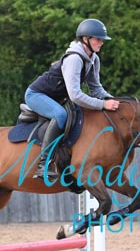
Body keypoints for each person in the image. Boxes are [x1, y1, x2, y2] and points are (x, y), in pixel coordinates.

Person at [25, 18, 120, 179]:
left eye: (102, 39)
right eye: (98, 39)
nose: (102, 42)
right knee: (60, 115)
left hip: (58, 98)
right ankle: (44, 164)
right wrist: (103, 104)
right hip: (36, 95)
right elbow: (75, 95)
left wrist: (113, 101)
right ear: (86, 39)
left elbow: (96, 88)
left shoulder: (94, 58)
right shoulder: (74, 59)